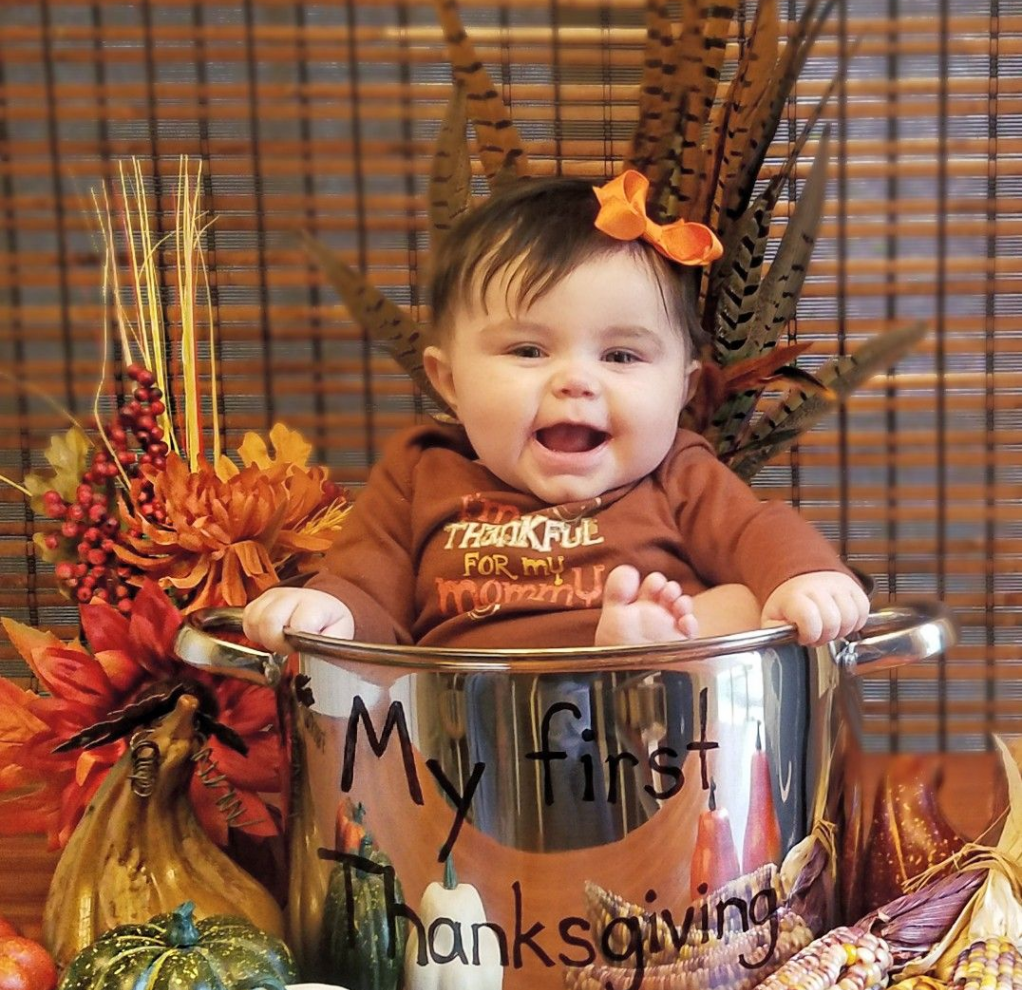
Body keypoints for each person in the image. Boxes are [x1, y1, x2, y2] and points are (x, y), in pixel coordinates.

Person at [243, 171, 869, 654]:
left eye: (621, 355)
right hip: (474, 740)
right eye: (528, 349)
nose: (575, 381)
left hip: (660, 738)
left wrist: (803, 578)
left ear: (683, 390)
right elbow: (366, 588)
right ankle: (635, 648)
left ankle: (643, 648)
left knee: (739, 602)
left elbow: (756, 531)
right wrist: (329, 611)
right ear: (449, 380)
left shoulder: (678, 473)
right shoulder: (422, 475)